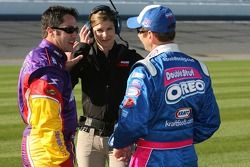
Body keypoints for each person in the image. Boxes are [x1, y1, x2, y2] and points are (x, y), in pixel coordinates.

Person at [109, 5, 221, 167]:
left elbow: (132, 120)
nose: (139, 36)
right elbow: (210, 121)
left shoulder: (147, 69)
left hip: (152, 156)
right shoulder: (198, 67)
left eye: (139, 31)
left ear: (150, 35)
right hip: (187, 155)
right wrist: (180, 138)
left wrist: (119, 143)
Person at [66, 5, 143, 167]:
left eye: (110, 29)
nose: (105, 34)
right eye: (99, 30)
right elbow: (67, 85)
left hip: (121, 136)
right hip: (88, 137)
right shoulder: (84, 55)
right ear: (90, 30)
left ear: (117, 28)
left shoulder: (131, 57)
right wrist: (82, 49)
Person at [17, 5, 81, 167]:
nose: (75, 34)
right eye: (69, 29)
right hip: (48, 151)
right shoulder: (47, 65)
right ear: (51, 31)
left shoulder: (52, 59)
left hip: (48, 146)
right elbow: (47, 122)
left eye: (76, 29)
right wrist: (61, 155)